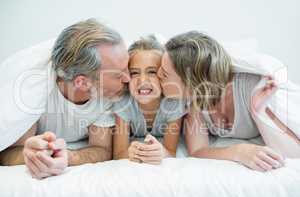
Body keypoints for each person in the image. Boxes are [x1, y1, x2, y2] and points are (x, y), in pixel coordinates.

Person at [0, 19, 130, 179]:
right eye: (119, 74)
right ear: (82, 82)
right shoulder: (33, 91)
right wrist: (32, 156)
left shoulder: (109, 92)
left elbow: (101, 149)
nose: (129, 79)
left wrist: (69, 156)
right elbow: (7, 152)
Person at [157, 31, 300, 172]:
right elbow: (198, 150)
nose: (157, 75)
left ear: (190, 82)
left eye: (164, 73)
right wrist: (238, 151)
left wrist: (259, 112)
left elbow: (294, 152)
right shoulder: (194, 102)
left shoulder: (252, 87)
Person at [113, 36, 186, 164]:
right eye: (135, 73)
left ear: (164, 74)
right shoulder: (123, 102)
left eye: (152, 72)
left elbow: (170, 151)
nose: (142, 81)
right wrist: (133, 152)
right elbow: (119, 154)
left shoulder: (173, 103)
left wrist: (161, 152)